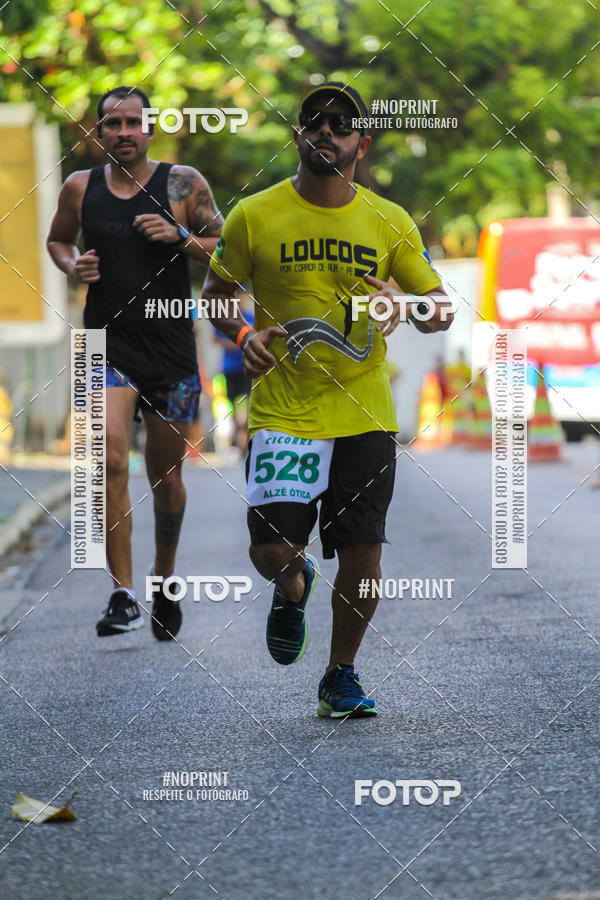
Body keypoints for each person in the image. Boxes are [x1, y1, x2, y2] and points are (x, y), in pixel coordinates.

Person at [204, 81, 453, 718]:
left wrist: (409, 303)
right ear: (297, 135)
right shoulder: (254, 214)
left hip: (365, 409)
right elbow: (216, 292)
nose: (326, 131)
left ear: (360, 144)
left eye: (341, 124)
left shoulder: (389, 219)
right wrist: (241, 331)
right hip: (284, 409)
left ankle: (341, 674)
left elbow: (441, 309)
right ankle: (293, 585)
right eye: (313, 121)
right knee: (271, 551)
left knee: (365, 548)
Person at [47, 86, 223, 640]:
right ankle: (122, 593)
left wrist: (180, 235)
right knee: (110, 460)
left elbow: (226, 248)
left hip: (170, 350)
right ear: (98, 133)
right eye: (111, 124)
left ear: (149, 129)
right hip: (105, 345)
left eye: (132, 123)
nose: (122, 132)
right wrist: (74, 265)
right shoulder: (81, 188)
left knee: (165, 478)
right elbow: (57, 242)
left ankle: (162, 580)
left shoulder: (183, 183)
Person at [213, 293, 255, 451]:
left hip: (247, 367)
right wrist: (231, 343)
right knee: (234, 404)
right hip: (230, 368)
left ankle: (245, 433)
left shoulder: (250, 317)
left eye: (241, 296)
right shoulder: (225, 317)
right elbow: (215, 338)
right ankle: (239, 433)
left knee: (248, 402)